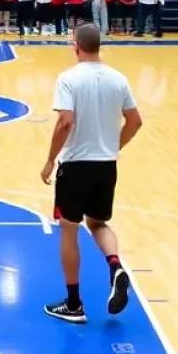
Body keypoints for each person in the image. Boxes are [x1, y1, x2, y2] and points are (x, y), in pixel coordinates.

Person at [41, 23, 143, 323]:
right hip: (106, 165)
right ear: (99, 45)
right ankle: (115, 266)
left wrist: (50, 159)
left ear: (76, 46)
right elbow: (135, 121)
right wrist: (113, 146)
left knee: (69, 229)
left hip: (75, 165)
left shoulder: (68, 79)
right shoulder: (118, 79)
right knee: (98, 223)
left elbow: (65, 122)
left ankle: (74, 303)